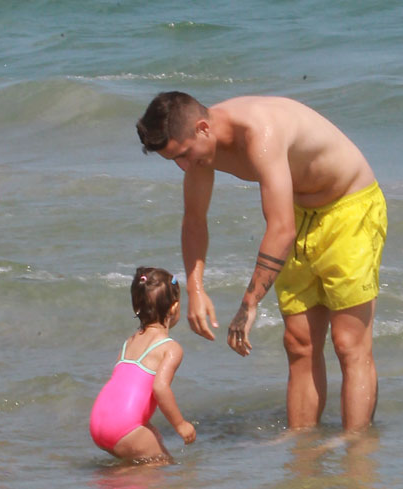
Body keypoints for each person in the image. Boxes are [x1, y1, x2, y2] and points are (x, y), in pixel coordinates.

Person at [136, 92, 386, 433]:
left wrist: (249, 304)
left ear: (203, 128)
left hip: (348, 207)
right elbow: (194, 220)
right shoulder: (199, 152)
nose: (183, 166)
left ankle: (356, 449)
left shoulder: (259, 132)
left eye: (183, 154)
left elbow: (281, 229)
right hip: (299, 211)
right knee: (299, 342)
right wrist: (195, 288)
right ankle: (303, 448)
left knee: (348, 343)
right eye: (173, 160)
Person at [90, 267, 197, 463]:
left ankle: (114, 476)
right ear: (174, 308)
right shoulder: (170, 348)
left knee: (150, 445)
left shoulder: (129, 342)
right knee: (164, 464)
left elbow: (125, 389)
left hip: (98, 421)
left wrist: (145, 425)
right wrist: (180, 424)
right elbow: (160, 388)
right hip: (124, 427)